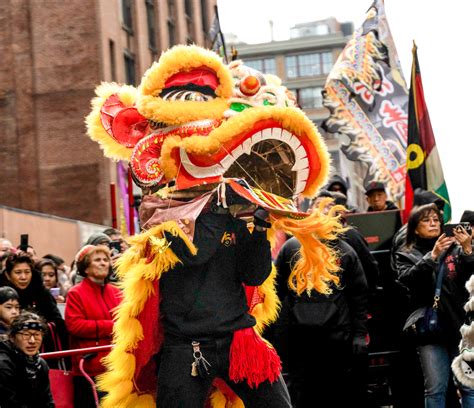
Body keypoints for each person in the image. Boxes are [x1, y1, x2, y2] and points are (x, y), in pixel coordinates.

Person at [275, 196, 369, 407]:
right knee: (302, 390)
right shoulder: (291, 247)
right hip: (299, 338)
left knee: (334, 390)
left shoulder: (345, 250)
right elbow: (276, 292)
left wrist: (359, 335)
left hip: (336, 337)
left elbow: (358, 295)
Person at [395, 203, 474, 406]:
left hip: (461, 327)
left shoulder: (456, 249)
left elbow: (469, 281)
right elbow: (407, 280)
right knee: (436, 388)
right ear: (414, 226)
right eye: (426, 220)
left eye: (436, 220)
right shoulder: (406, 252)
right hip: (431, 328)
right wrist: (432, 256)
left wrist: (467, 251)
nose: (432, 224)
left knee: (469, 386)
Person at [65, 244, 123, 408]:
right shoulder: (76, 293)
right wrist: (112, 326)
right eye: (97, 260)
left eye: (105, 260)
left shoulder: (116, 292)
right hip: (89, 368)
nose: (104, 263)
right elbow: (75, 326)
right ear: (85, 267)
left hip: (116, 366)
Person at [0, 253, 66, 349]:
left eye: (27, 272)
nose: (23, 277)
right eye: (18, 272)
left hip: (43, 347)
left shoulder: (42, 292)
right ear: (8, 275)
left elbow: (57, 321)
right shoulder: (2, 294)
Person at [0, 311, 55, 407]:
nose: (32, 341)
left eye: (37, 335)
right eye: (26, 335)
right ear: (12, 337)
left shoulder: (41, 364)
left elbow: (47, 400)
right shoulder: (4, 365)